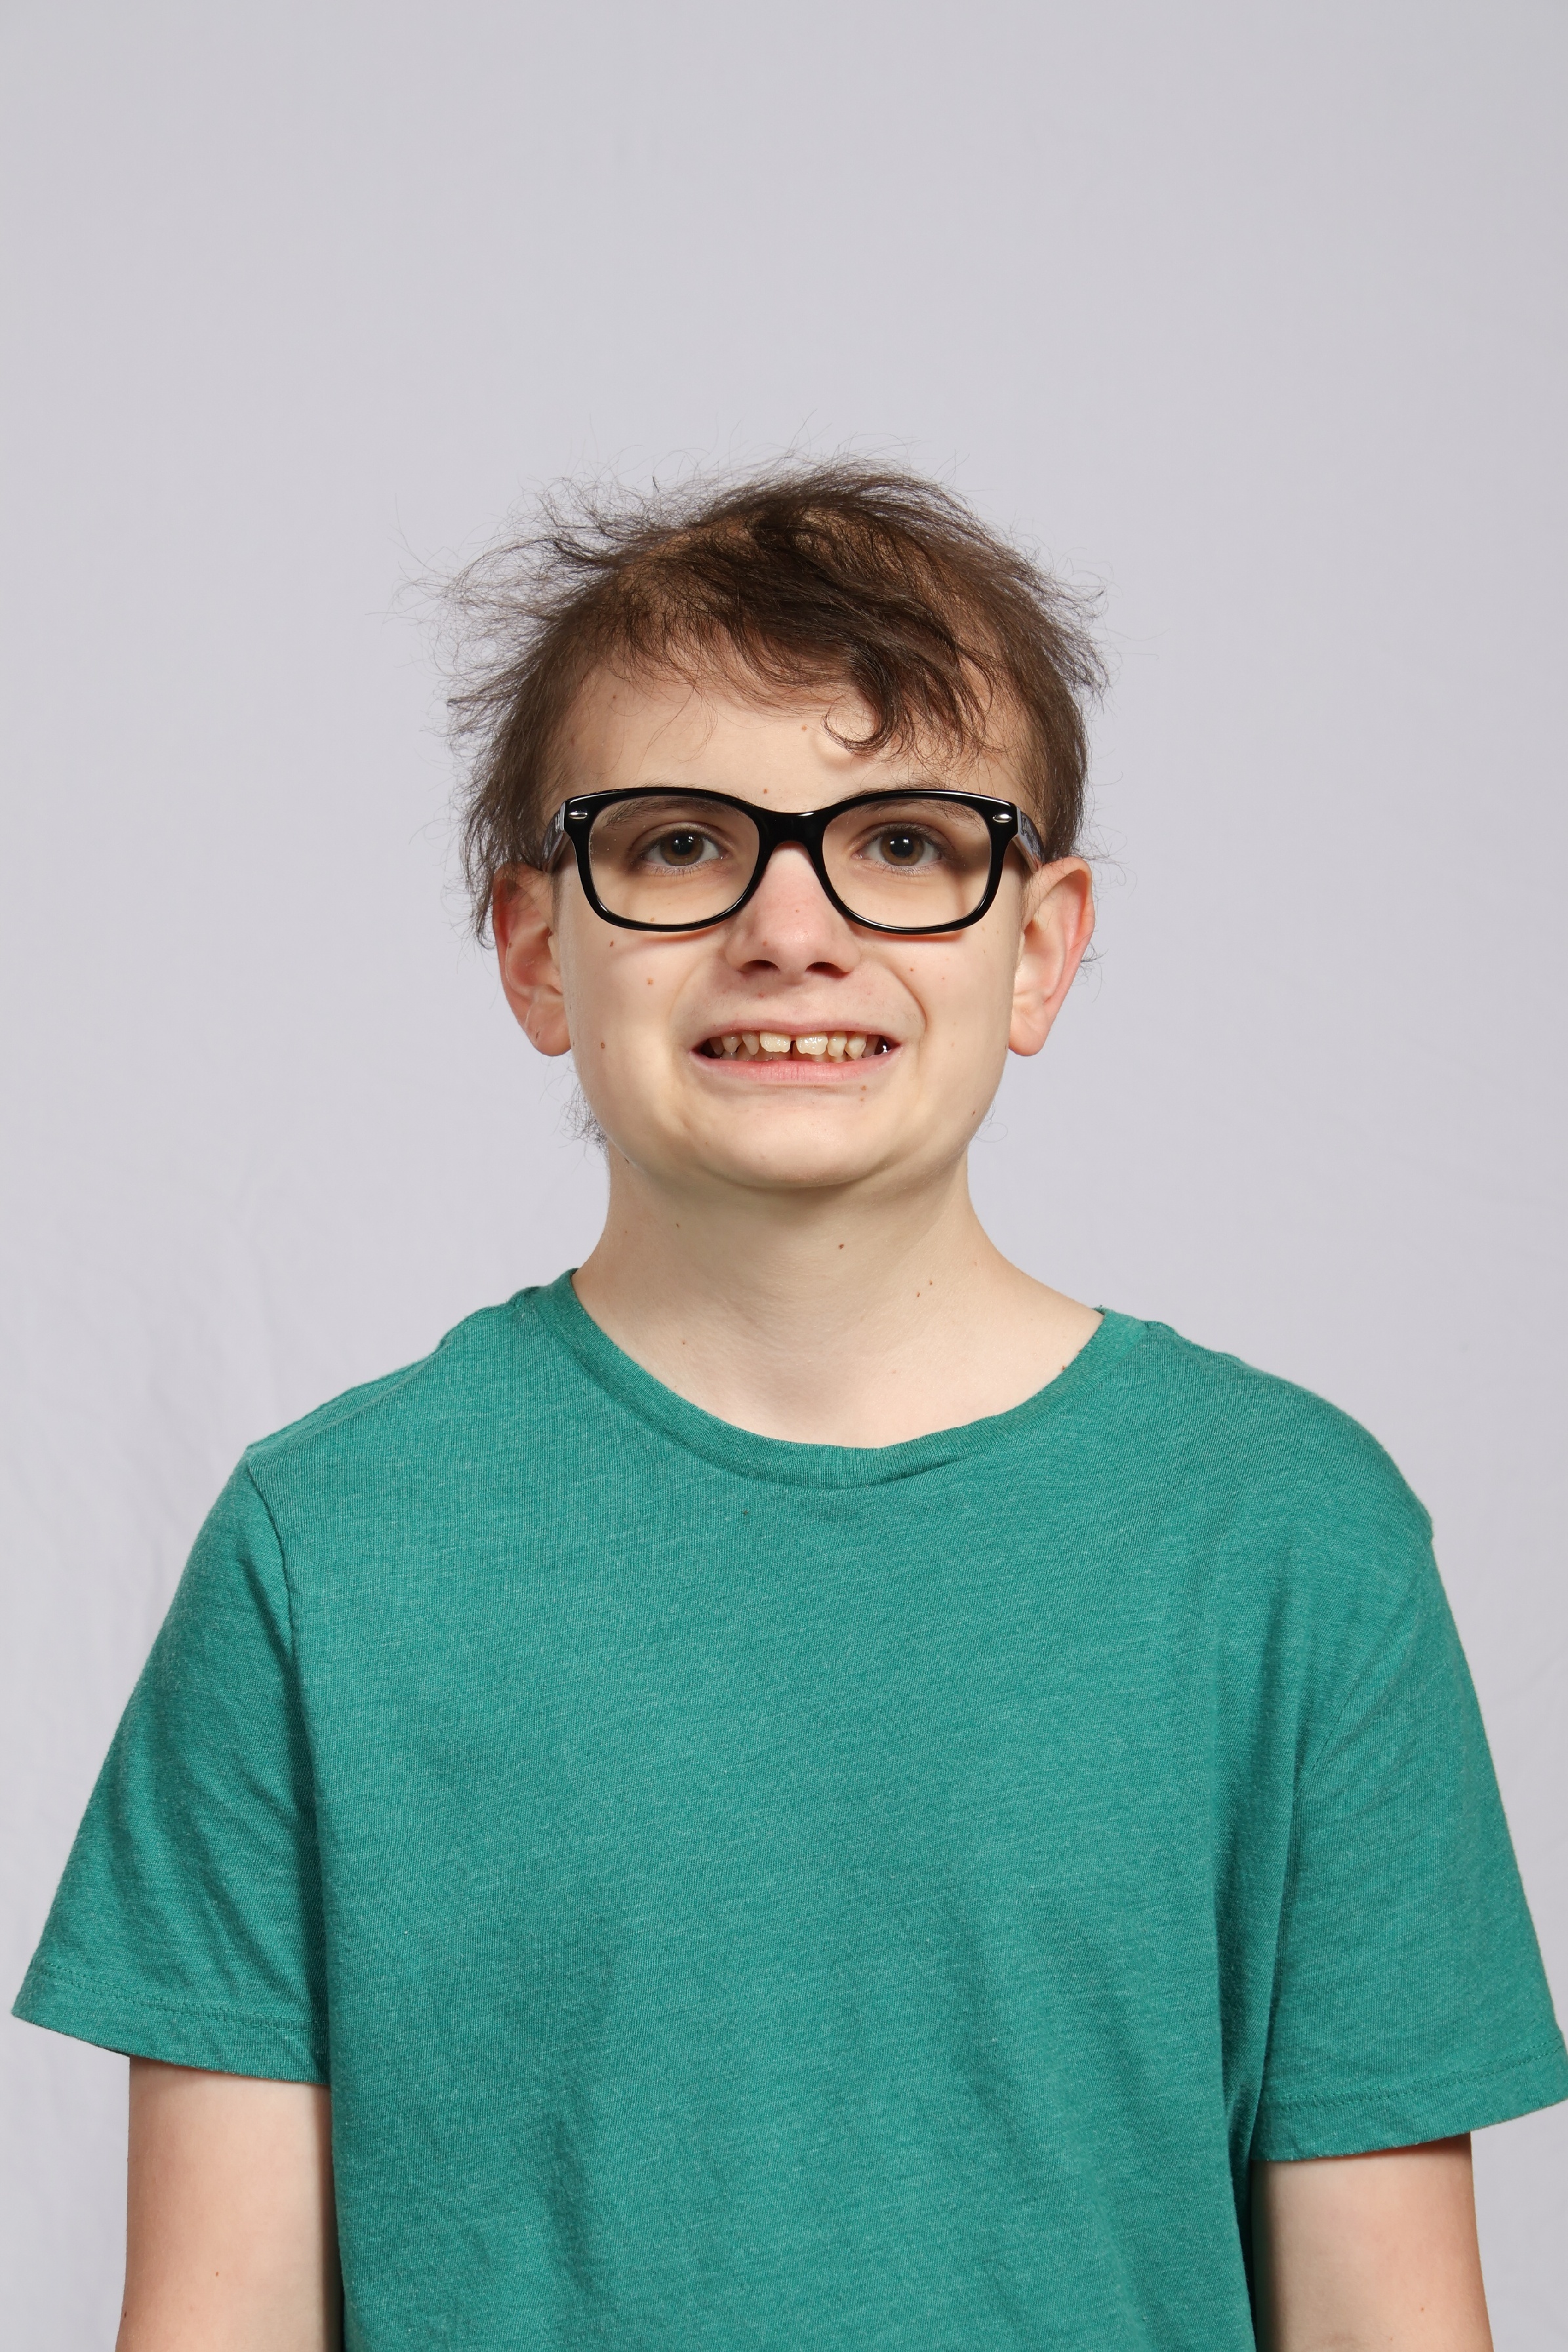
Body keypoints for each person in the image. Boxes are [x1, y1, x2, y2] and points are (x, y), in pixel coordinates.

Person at [14, 464, 1565, 2352]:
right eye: (680, 844)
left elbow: (1393, 2321)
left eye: (904, 842)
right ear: (536, 949)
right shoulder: (324, 1553)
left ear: (1042, 946)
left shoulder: (1293, 1543)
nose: (791, 925)